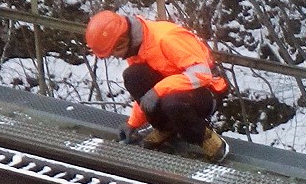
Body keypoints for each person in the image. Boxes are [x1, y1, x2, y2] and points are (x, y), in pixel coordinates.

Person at [84, 9, 230, 162]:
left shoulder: (166, 38)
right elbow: (146, 94)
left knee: (171, 102)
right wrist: (132, 123)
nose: (116, 57)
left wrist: (158, 90)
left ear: (121, 43)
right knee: (133, 76)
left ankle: (206, 138)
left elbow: (202, 74)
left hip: (207, 89)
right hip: (175, 87)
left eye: (113, 53)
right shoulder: (136, 48)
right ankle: (166, 128)